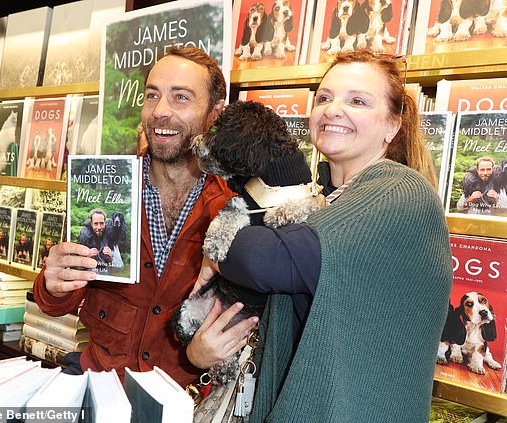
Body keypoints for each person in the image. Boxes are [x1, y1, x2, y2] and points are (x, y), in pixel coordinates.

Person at [190, 50, 453, 422]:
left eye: (357, 100)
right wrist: (200, 353)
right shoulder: (324, 197)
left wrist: (218, 239)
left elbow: (264, 261)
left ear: (393, 124)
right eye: (325, 98)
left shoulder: (399, 190)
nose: (332, 109)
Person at [32, 46, 256, 387]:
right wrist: (53, 281)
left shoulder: (234, 210)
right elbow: (55, 303)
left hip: (185, 402)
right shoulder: (106, 188)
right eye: (152, 96)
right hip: (101, 388)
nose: (161, 111)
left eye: (180, 97)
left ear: (215, 113)